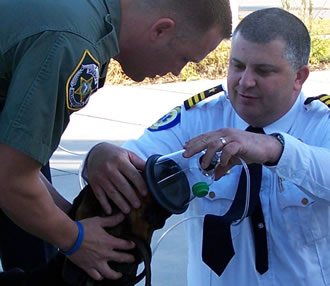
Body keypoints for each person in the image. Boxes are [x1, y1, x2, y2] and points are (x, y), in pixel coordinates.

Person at [82, 8, 330, 286]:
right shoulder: (198, 118)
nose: (245, 81)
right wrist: (99, 157)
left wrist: (275, 150)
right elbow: (131, 163)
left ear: (300, 77)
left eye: (263, 71)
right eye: (237, 65)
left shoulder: (322, 123)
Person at [0, 0, 232, 280]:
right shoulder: (74, 43)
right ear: (161, 30)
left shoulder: (86, 17)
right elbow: (10, 181)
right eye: (183, 58)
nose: (178, 73)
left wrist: (73, 220)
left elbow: (14, 165)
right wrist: (75, 239)